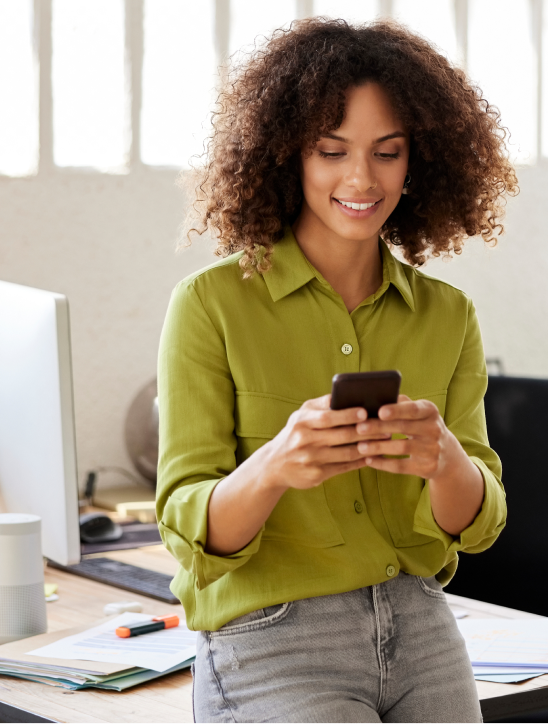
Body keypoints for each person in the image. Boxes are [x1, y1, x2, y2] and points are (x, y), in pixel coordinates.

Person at [156, 17, 518, 724]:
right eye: (332, 151)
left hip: (420, 625)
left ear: (419, 162)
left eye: (388, 152)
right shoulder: (211, 306)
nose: (361, 178)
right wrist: (272, 468)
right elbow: (187, 535)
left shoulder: (448, 316)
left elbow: (478, 524)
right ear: (287, 154)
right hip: (274, 636)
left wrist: (447, 463)